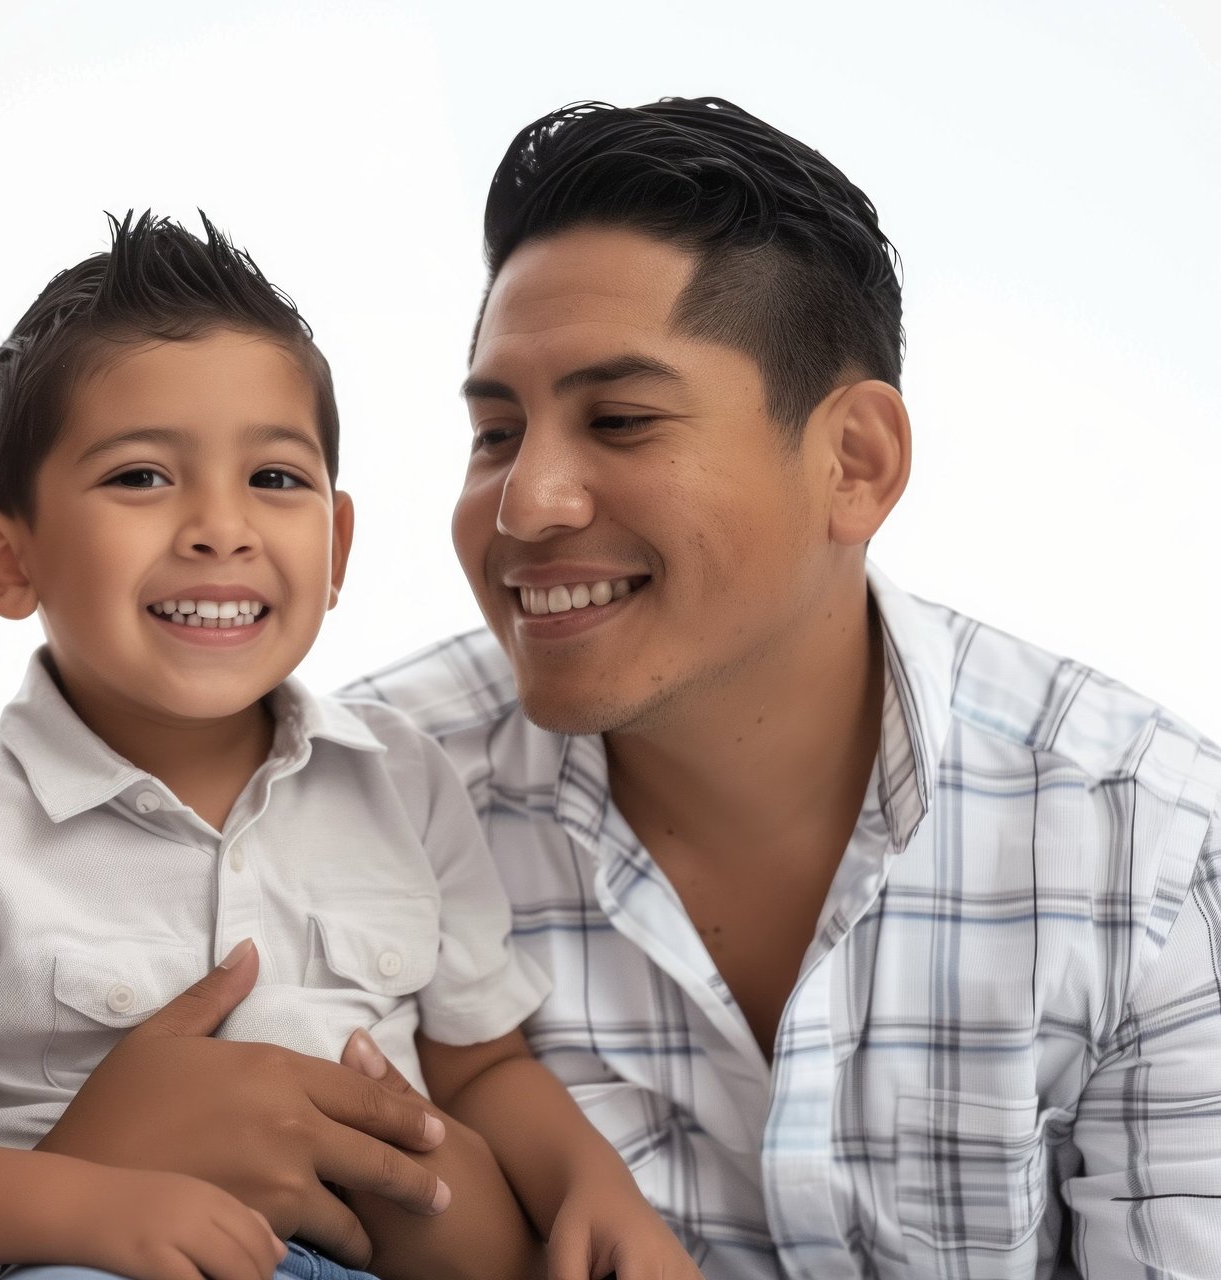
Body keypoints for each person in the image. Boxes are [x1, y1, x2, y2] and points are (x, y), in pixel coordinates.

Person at [331, 97, 1220, 1276]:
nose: (526, 502)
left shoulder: (1149, 846)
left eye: (620, 419)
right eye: (497, 432)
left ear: (854, 463)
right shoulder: (355, 795)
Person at [0, 213, 699, 1280]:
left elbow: (482, 1066)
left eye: (276, 479)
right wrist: (91, 1206)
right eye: (141, 477)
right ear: (7, 559)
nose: (221, 526)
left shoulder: (403, 781)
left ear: (337, 549)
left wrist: (593, 1184)